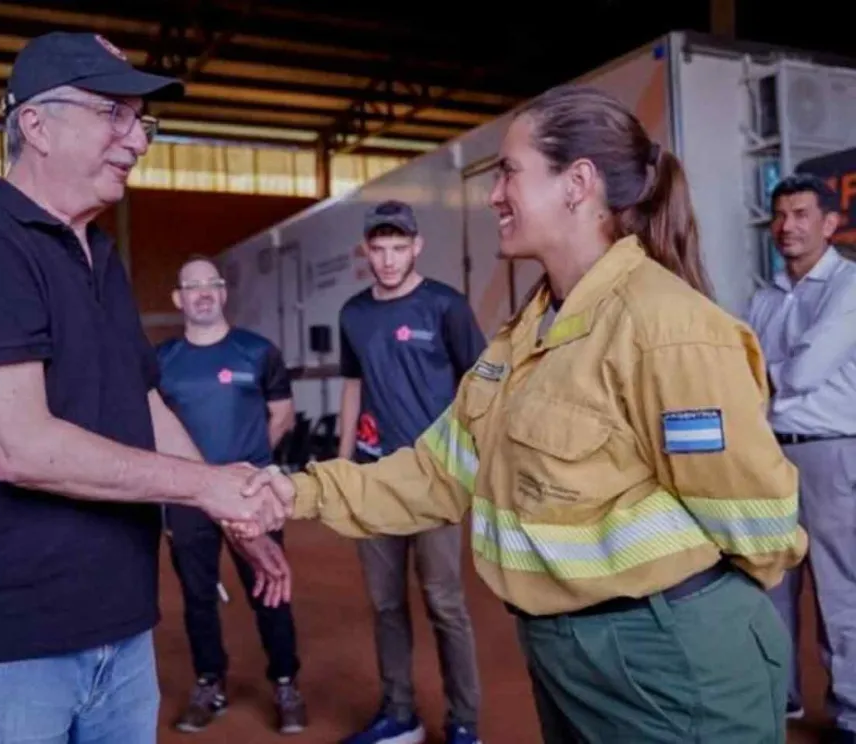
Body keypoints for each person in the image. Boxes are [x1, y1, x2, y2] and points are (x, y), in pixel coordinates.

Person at [241, 84, 808, 743]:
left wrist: (675, 615)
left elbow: (761, 529)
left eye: (508, 172)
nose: (493, 195)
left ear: (578, 183)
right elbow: (436, 474)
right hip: (566, 652)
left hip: (670, 662)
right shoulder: (524, 337)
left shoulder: (666, 326)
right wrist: (296, 489)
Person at [0, 31, 290, 744]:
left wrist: (230, 509)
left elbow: (143, 403)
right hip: (6, 646)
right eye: (115, 113)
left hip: (120, 630)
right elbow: (16, 445)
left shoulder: (101, 255)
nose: (138, 139)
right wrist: (206, 488)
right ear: (37, 126)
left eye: (142, 120)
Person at [335, 200, 485, 744]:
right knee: (385, 603)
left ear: (417, 247)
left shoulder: (447, 306)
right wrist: (342, 466)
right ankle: (400, 714)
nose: (389, 259)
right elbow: (352, 387)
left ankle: (464, 721)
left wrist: (470, 464)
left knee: (445, 603)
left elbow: (480, 386)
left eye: (400, 248)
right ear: (366, 251)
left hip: (436, 479)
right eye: (379, 249)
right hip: (375, 479)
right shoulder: (354, 313)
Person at [157, 255, 307, 735]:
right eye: (191, 285)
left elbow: (281, 413)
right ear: (178, 299)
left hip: (252, 496)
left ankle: (285, 682)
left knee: (270, 589)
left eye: (212, 284)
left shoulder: (257, 352)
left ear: (223, 293)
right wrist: (195, 482)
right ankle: (210, 682)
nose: (202, 292)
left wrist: (250, 468)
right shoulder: (160, 363)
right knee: (197, 596)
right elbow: (154, 427)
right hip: (187, 499)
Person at [747, 173, 856, 743]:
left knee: (841, 590)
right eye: (781, 215)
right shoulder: (764, 296)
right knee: (770, 587)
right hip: (769, 457)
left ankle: (852, 712)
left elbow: (807, 369)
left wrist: (763, 379)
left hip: (830, 456)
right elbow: (742, 367)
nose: (788, 226)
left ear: (831, 224)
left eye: (802, 214)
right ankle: (778, 698)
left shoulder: (849, 287)